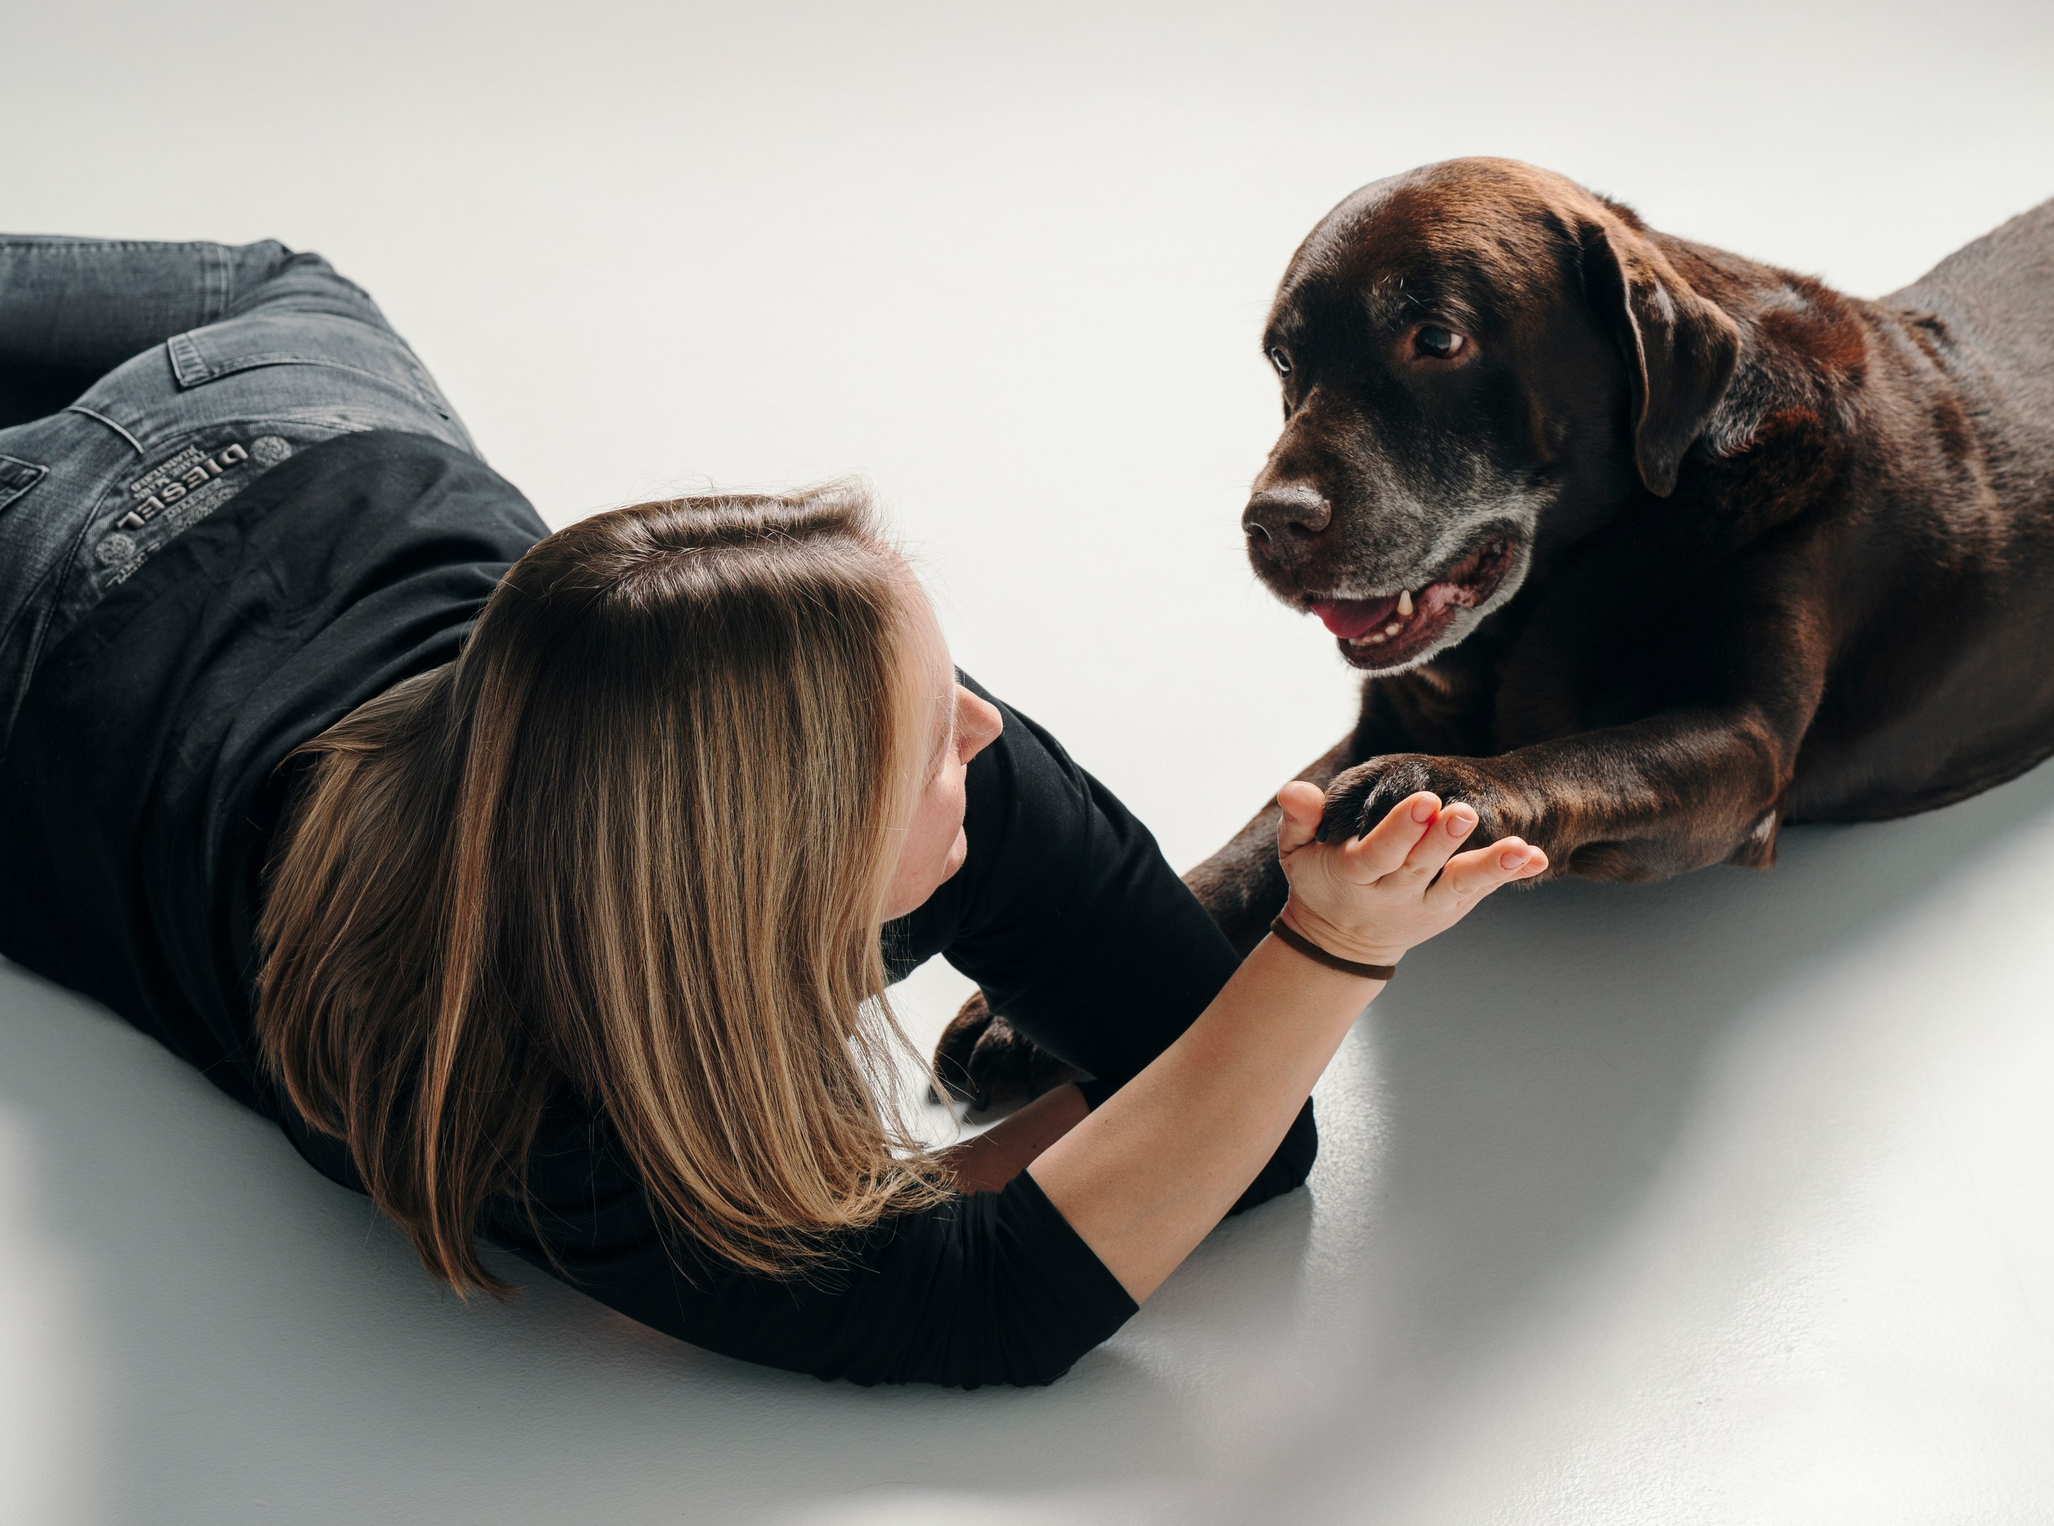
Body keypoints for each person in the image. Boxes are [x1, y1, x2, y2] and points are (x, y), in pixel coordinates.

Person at [0, 235, 1548, 1388]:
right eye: (932, 733)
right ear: (773, 851)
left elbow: (1234, 1148)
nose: (985, 728)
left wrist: (909, 1224)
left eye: (944, 678)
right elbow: (1006, 1301)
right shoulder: (530, 1077)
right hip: (98, 548)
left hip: (276, 403)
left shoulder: (939, 773)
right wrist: (1328, 955)